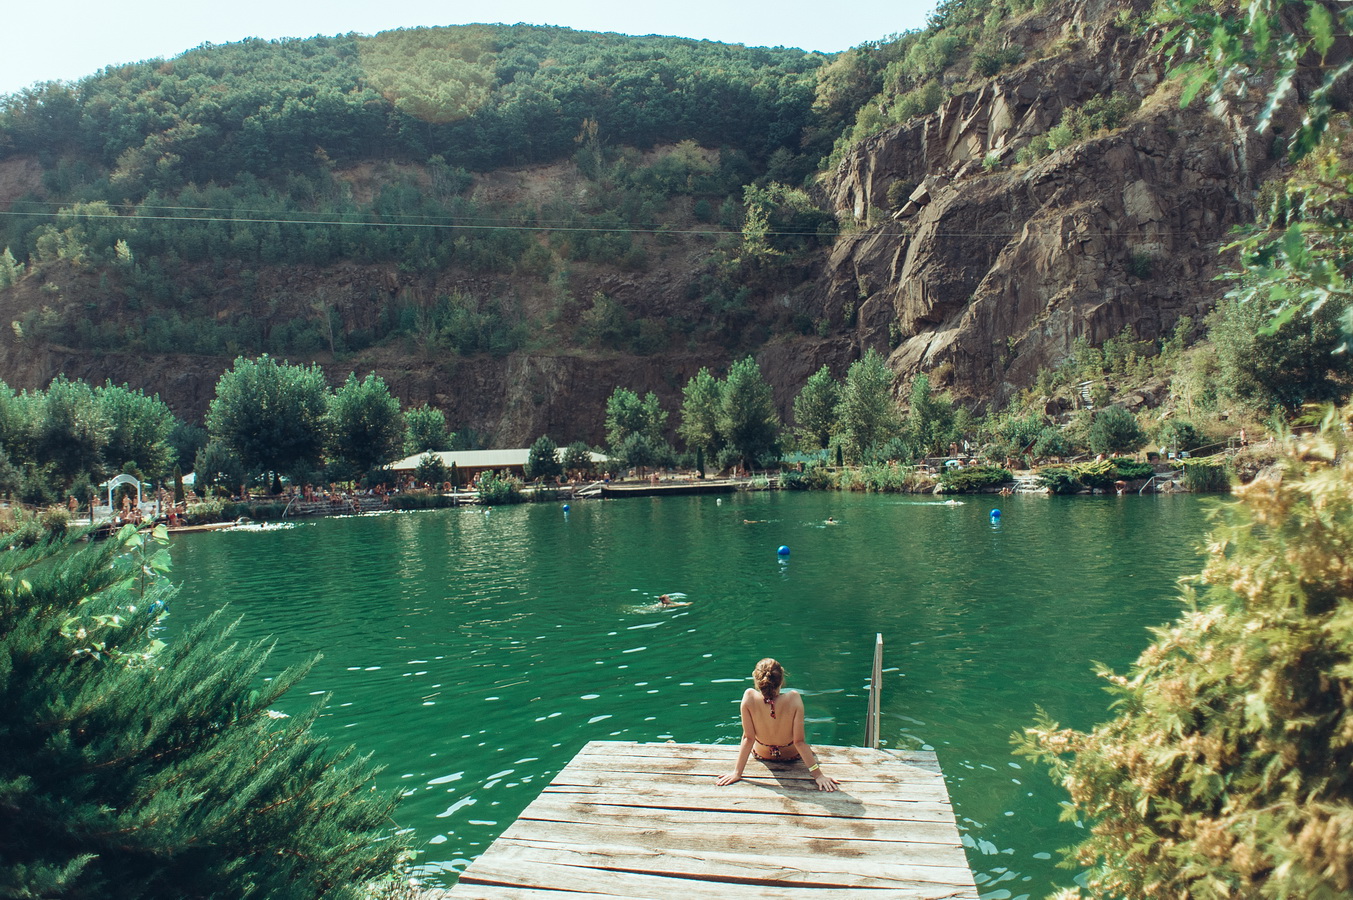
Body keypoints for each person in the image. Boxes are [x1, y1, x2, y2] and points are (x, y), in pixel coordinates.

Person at [716, 658, 839, 791]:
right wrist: (818, 775)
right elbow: (799, 742)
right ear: (781, 680)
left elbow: (748, 738)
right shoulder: (794, 698)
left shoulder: (749, 696)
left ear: (756, 679)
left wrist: (737, 773)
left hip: (762, 755)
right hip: (791, 756)